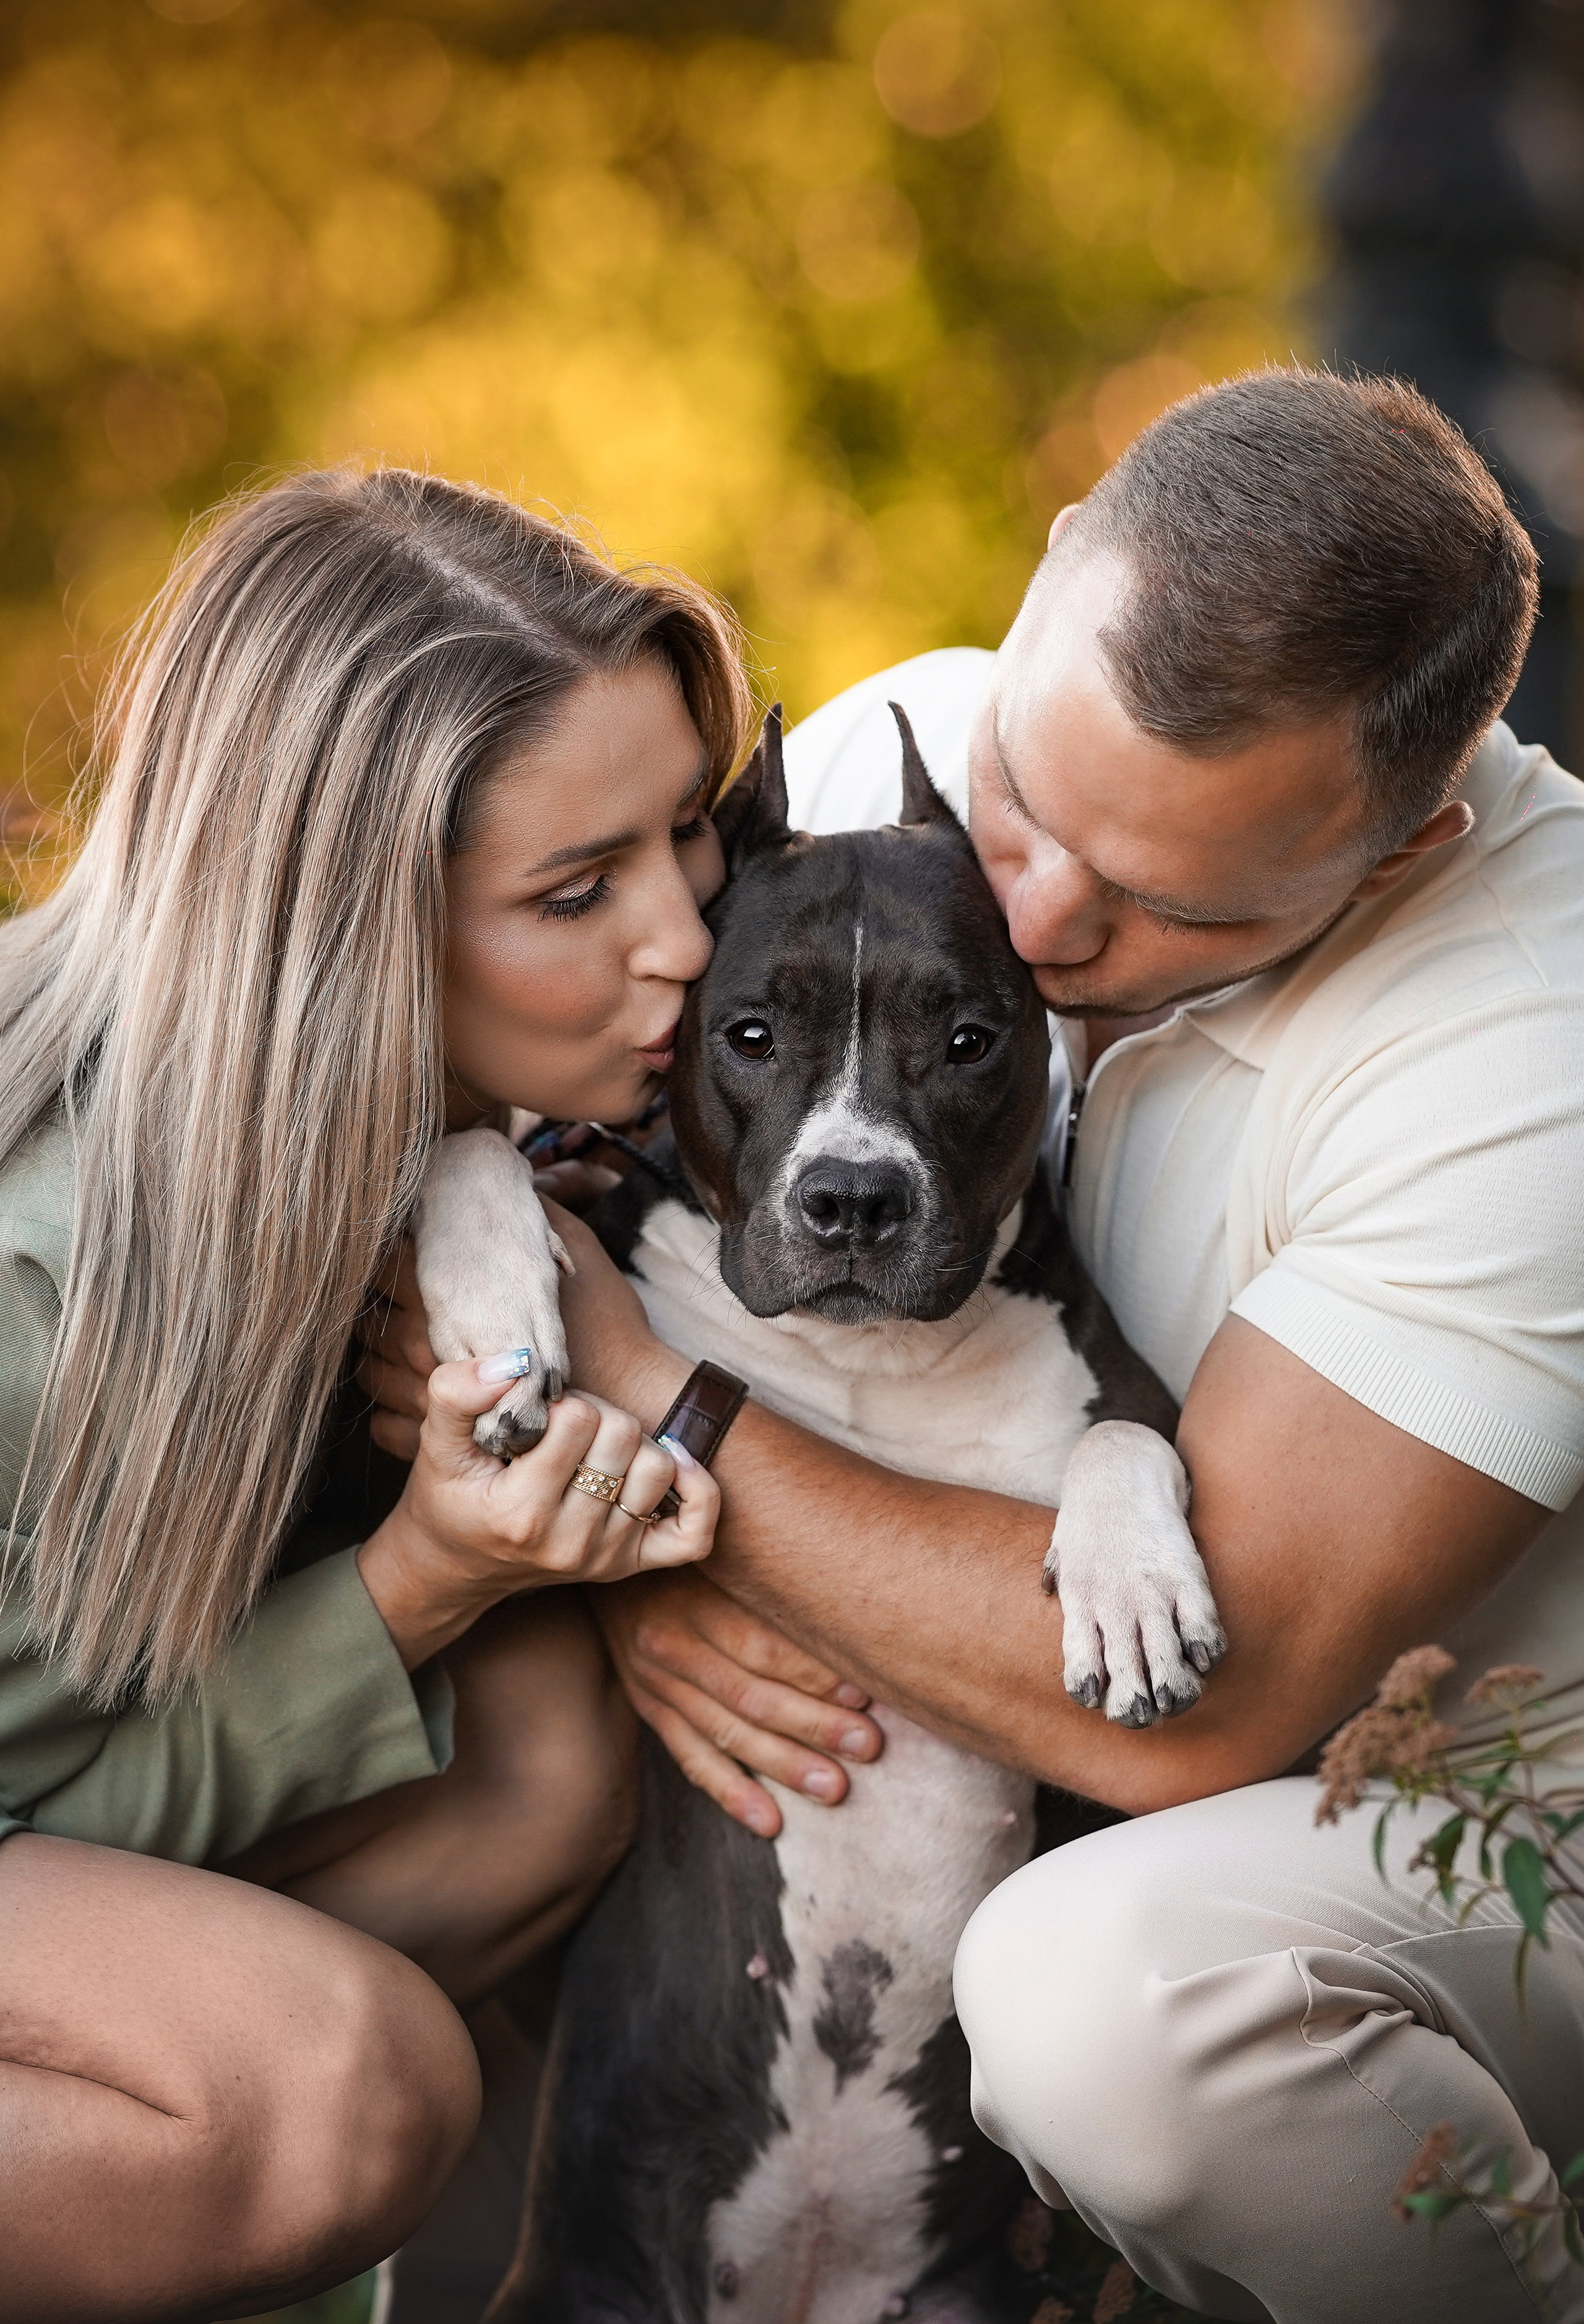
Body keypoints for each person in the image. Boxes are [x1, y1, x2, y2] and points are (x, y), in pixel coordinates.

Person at [363, 367, 1584, 2324]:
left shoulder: (1534, 1048)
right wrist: (621, 1559)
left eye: (1164, 898)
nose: (1031, 911)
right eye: (1025, 792)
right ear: (1052, 576)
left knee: (1111, 2005)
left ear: (1400, 852)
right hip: (795, 1891)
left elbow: (1200, 1711)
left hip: (1453, 1827)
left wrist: (682, 1439)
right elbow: (551, 1137)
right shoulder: (910, 744)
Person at [0, 467, 733, 2322]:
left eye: (690, 832)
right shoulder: (44, 1272)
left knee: (542, 1754)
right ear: (343, 926)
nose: (686, 937)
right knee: (332, 2084)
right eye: (579, 891)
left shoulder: (399, 1159)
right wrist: (419, 1579)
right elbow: (33, 1808)